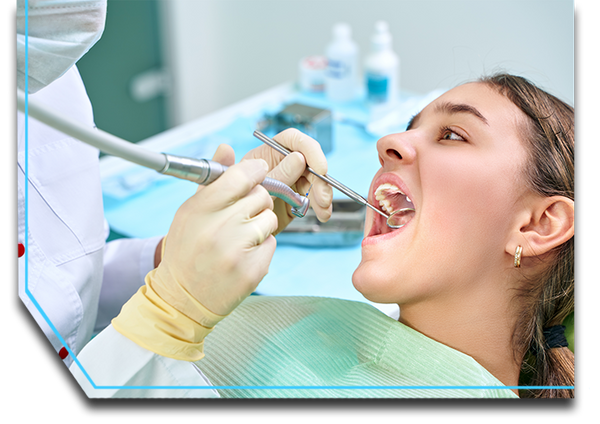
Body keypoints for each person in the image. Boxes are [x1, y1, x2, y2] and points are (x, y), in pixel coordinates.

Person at [70, 73, 574, 399]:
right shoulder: (335, 332)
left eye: (453, 135)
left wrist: (169, 315)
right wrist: (174, 279)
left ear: (538, 224)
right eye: (410, 127)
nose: (388, 143)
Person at [17, 0, 332, 396]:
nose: (394, 143)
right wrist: (168, 311)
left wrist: (173, 260)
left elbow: (51, 276)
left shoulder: (41, 60)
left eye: (439, 134)